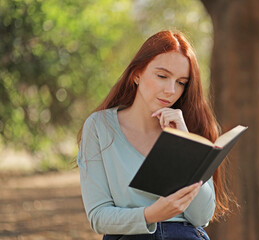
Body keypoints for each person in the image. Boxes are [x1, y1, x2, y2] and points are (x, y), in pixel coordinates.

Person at [77, 30, 232, 240]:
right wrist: (152, 214)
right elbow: (98, 216)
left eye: (181, 82)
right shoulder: (99, 127)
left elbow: (202, 216)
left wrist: (186, 145)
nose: (171, 90)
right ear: (137, 74)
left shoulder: (188, 128)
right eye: (162, 76)